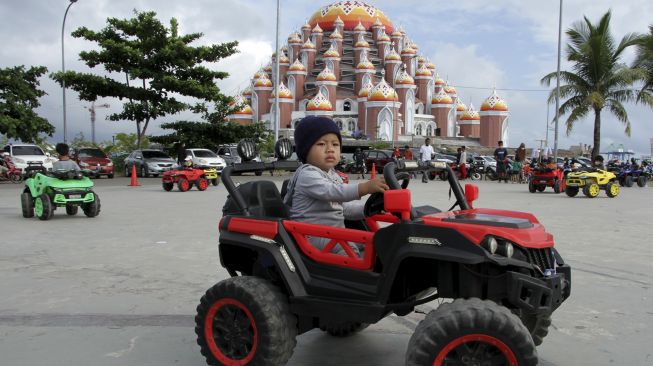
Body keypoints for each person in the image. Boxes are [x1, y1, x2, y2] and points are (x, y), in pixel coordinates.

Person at [283, 116, 388, 254]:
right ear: (305, 150)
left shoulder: (333, 174)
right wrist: (365, 187)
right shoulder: (307, 174)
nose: (330, 149)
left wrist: (368, 209)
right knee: (351, 252)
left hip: (331, 232)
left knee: (373, 243)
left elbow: (342, 208)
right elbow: (334, 191)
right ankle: (354, 274)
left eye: (335, 144)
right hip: (310, 235)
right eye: (321, 144)